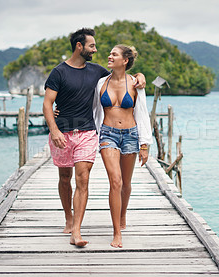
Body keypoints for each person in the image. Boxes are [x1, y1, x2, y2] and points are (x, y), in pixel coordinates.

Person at [43, 28, 146, 247]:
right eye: (92, 46)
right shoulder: (64, 73)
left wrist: (140, 76)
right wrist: (54, 125)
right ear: (80, 46)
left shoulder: (98, 72)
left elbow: (133, 93)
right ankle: (70, 219)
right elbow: (48, 103)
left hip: (100, 133)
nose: (97, 51)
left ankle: (81, 231)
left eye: (111, 53)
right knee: (66, 178)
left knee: (91, 179)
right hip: (78, 132)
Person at [93, 45, 153, 248]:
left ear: (125, 60)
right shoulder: (101, 82)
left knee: (126, 183)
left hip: (131, 135)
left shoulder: (136, 83)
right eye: (110, 53)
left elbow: (143, 113)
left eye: (114, 54)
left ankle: (123, 214)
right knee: (115, 182)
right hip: (108, 134)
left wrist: (144, 144)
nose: (109, 56)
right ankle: (117, 232)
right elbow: (92, 108)